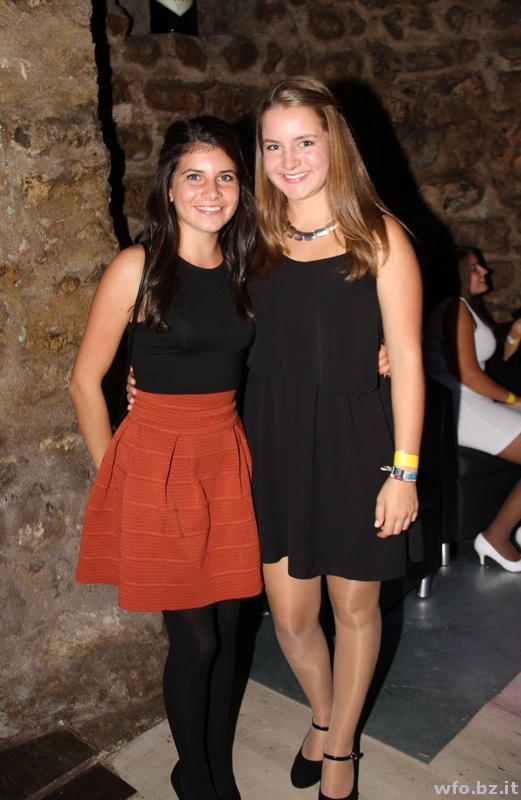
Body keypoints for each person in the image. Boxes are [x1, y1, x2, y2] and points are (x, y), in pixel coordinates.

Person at [69, 116, 263, 800]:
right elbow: (85, 381)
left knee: (230, 630)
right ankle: (197, 781)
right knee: (197, 641)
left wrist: (377, 353)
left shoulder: (247, 267)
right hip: (158, 462)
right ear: (170, 187)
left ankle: (213, 767)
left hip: (225, 456)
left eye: (225, 176)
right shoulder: (138, 266)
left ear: (241, 188)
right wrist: (115, 474)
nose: (211, 191)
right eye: (194, 176)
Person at [242, 76, 425, 800]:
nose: (288, 161)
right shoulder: (250, 235)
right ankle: (322, 715)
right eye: (272, 146)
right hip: (274, 444)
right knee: (289, 617)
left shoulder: (380, 238)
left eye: (304, 142)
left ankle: (341, 748)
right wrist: (145, 374)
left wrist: (403, 472)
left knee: (353, 609)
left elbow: (407, 361)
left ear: (334, 144)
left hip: (356, 444)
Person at [423, 246, 521, 572]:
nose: (485, 272)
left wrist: (513, 337)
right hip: (460, 407)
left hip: (473, 401)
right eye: (475, 268)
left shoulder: (466, 307)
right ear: (458, 275)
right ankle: (496, 538)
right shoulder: (454, 307)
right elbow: (468, 374)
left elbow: (490, 364)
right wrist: (515, 400)